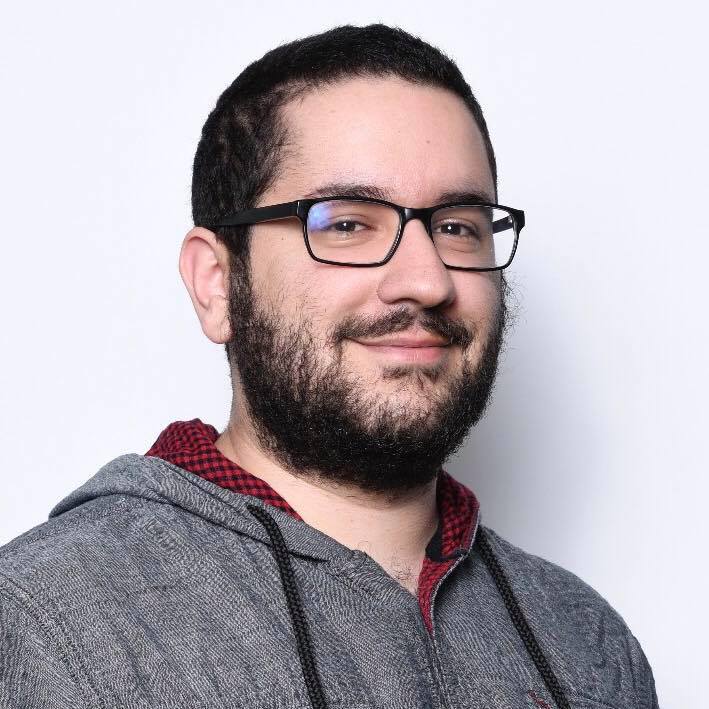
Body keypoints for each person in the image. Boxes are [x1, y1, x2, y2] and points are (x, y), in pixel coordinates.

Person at [0, 24, 658, 709]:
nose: (427, 280)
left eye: (457, 227)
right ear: (218, 284)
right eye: (346, 224)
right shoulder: (42, 626)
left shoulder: (585, 642)